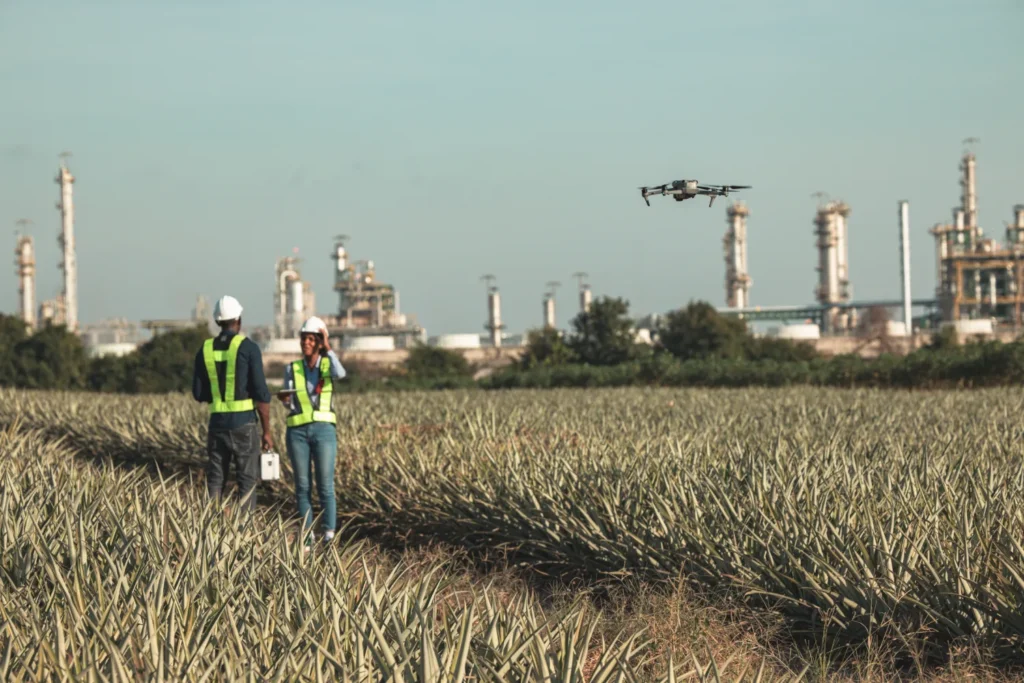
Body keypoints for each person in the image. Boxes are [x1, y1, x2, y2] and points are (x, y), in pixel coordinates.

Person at [192, 295, 273, 513]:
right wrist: (267, 431)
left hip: (217, 424)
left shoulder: (205, 349)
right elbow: (262, 395)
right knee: (246, 482)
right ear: (238, 319)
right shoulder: (248, 348)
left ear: (218, 321)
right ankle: (243, 535)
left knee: (216, 479)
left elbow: (198, 393)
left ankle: (208, 531)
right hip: (244, 425)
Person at [277, 316, 346, 547]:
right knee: (303, 485)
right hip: (297, 431)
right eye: (303, 339)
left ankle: (329, 534)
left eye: (310, 339)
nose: (305, 342)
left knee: (325, 484)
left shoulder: (328, 365)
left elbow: (341, 374)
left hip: (324, 430)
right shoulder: (292, 368)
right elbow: (292, 403)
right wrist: (285, 401)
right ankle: (307, 535)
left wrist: (328, 348)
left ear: (318, 341)